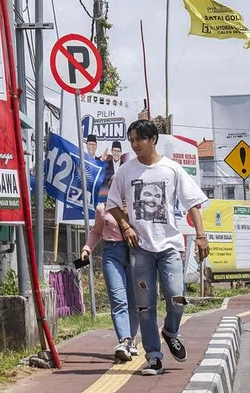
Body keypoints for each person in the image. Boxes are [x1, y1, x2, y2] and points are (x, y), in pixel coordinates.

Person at [107, 120, 209, 376]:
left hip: (170, 247)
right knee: (145, 305)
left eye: (138, 139)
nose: (134, 144)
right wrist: (126, 227)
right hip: (140, 249)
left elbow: (193, 203)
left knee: (177, 295)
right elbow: (112, 203)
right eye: (130, 140)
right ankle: (153, 356)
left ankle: (171, 331)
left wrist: (201, 235)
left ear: (152, 139)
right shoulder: (125, 171)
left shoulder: (172, 169)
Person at [81, 183, 140, 362]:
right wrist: (86, 249)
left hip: (135, 253)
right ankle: (124, 340)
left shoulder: (137, 206)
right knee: (118, 299)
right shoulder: (102, 208)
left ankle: (132, 340)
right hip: (111, 253)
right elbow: (96, 232)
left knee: (134, 301)